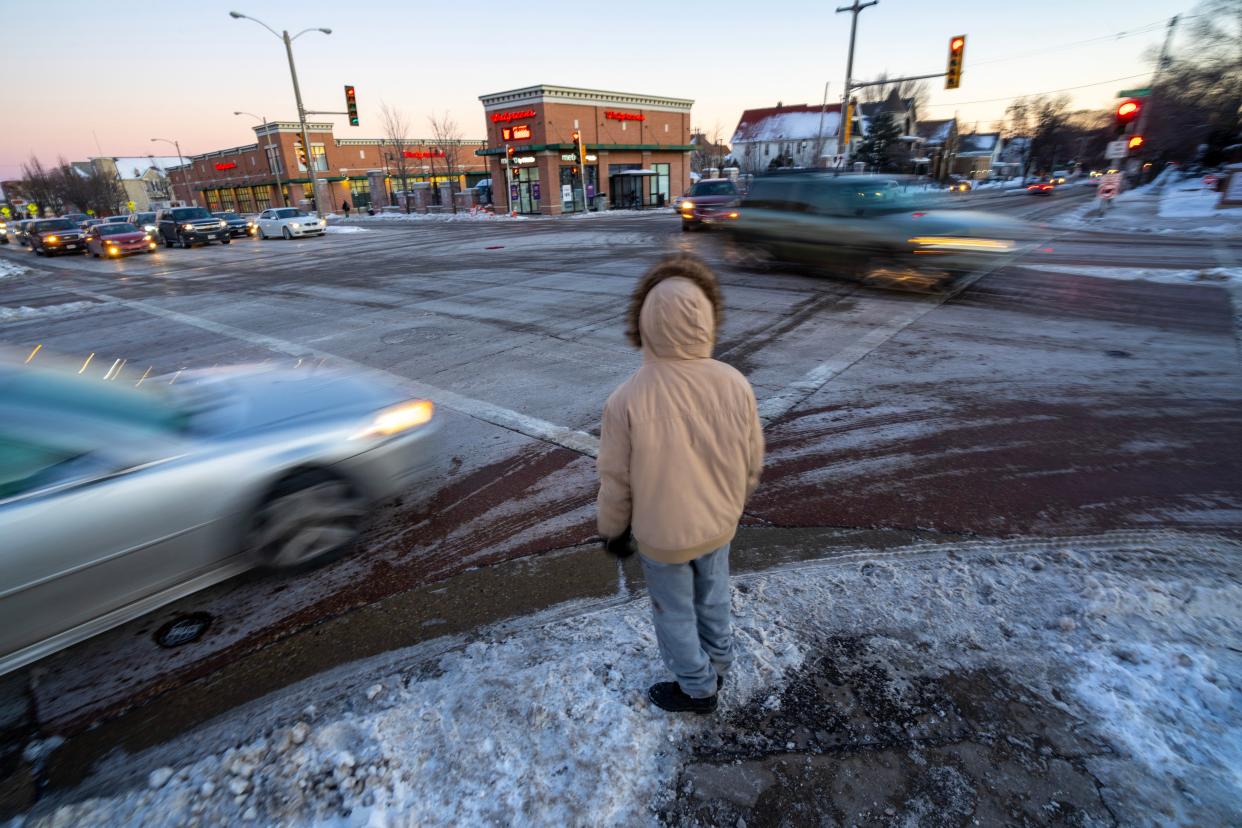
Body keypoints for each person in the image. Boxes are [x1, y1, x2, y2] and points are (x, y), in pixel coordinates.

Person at [597, 253, 764, 714]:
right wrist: (732, 504)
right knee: (712, 596)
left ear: (646, 323)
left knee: (674, 612)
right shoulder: (734, 383)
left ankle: (696, 688)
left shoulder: (627, 398)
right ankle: (721, 661)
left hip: (662, 537)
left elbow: (616, 479)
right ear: (707, 320)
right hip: (717, 525)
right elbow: (751, 458)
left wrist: (613, 530)